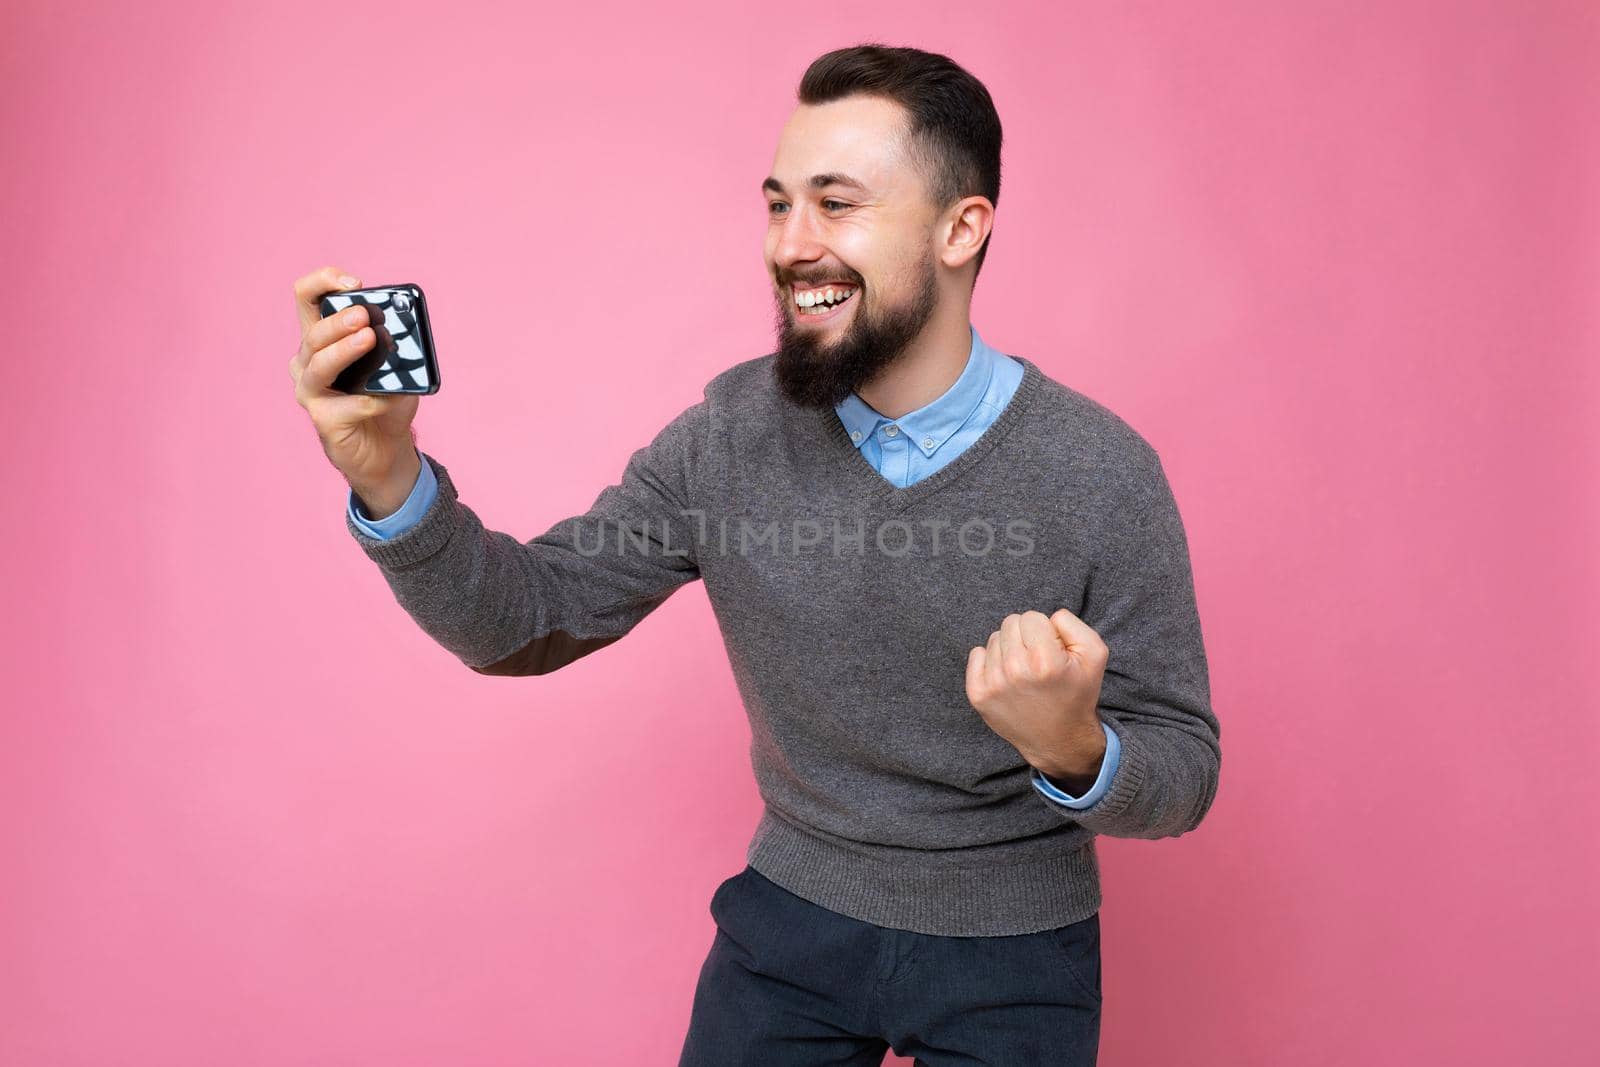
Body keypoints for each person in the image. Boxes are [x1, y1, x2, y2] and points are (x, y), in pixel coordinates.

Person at [288, 41, 1220, 1067]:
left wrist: (1074, 747)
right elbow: (522, 619)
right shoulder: (727, 434)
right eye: (779, 205)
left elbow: (1184, 769)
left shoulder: (1099, 470)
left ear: (961, 229)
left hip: (1016, 950)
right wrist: (387, 474)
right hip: (790, 929)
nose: (791, 244)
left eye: (837, 204)